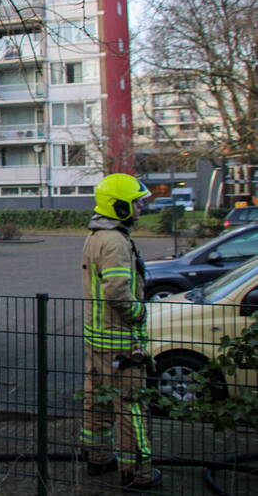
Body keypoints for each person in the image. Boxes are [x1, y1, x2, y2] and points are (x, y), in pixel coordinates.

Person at [80, 173, 162, 491]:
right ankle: (137, 473)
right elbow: (117, 290)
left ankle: (97, 458)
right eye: (136, 202)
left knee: (96, 400)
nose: (141, 207)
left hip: (98, 337)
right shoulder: (114, 242)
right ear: (120, 207)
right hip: (120, 341)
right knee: (130, 406)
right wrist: (139, 313)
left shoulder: (96, 236)